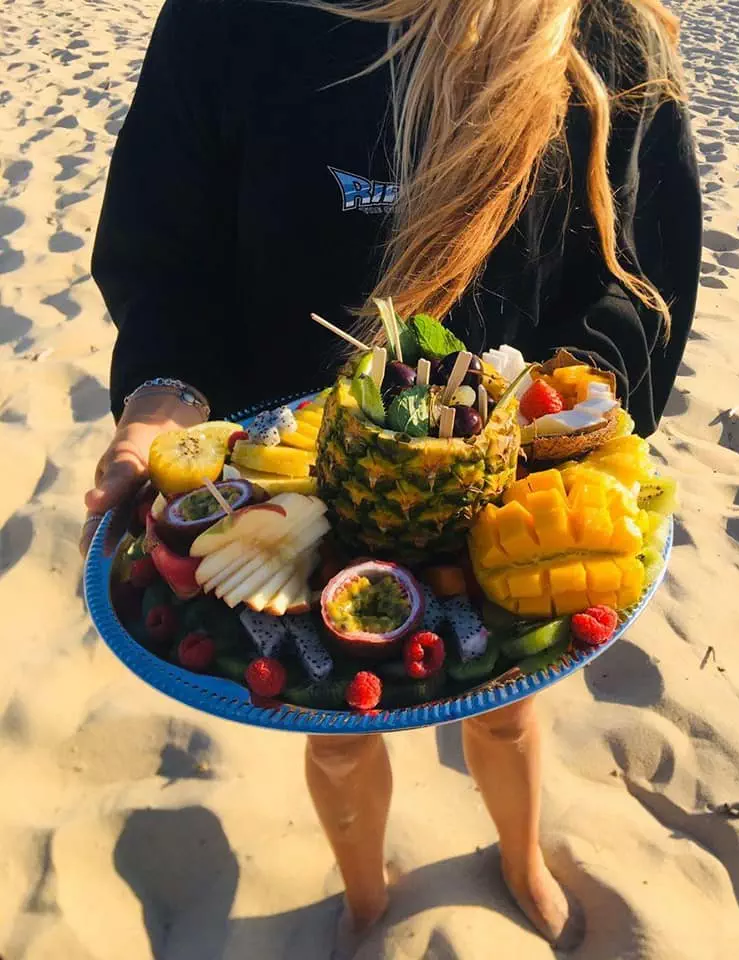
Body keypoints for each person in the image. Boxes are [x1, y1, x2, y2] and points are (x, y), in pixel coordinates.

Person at [82, 0, 701, 950]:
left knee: (506, 714)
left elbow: (637, 272)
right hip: (294, 487)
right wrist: (164, 391)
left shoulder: (601, 29)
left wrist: (575, 395)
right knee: (335, 727)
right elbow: (167, 246)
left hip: (503, 480)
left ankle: (521, 853)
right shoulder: (224, 19)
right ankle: (365, 894)